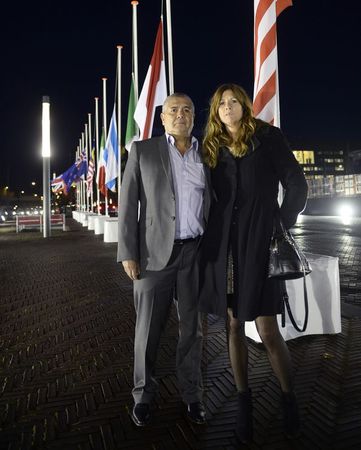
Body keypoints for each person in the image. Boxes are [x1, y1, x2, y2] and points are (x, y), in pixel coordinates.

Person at [198, 83, 308, 443]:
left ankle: (288, 398)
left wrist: (279, 225)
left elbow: (297, 184)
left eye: (233, 102)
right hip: (225, 249)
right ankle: (243, 402)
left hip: (259, 246)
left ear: (245, 106)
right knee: (231, 327)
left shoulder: (268, 138)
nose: (227, 108)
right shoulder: (211, 148)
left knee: (266, 329)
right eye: (221, 104)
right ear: (215, 112)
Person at [117, 93, 211, 427]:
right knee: (147, 332)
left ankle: (193, 395)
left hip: (194, 254)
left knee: (193, 331)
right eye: (174, 110)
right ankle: (143, 395)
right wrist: (127, 251)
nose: (181, 114)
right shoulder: (143, 151)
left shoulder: (206, 154)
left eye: (187, 109)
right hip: (153, 256)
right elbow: (127, 206)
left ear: (193, 116)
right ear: (162, 117)